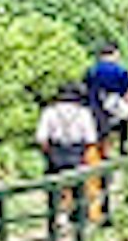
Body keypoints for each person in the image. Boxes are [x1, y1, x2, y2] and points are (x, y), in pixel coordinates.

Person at [36, 87, 99, 232]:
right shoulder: (83, 113)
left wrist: (49, 153)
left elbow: (41, 138)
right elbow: (91, 139)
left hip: (55, 152)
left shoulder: (49, 112)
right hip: (77, 152)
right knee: (78, 187)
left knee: (55, 187)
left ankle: (56, 217)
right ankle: (79, 223)